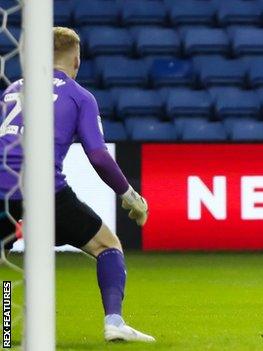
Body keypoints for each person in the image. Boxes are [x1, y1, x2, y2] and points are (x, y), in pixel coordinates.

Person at [0, 27, 154, 341]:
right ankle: (114, 322)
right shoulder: (78, 95)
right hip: (43, 190)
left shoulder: (12, 88)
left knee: (4, 258)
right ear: (77, 60)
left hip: (1, 188)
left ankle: (3, 330)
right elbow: (97, 155)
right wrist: (130, 195)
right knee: (108, 245)